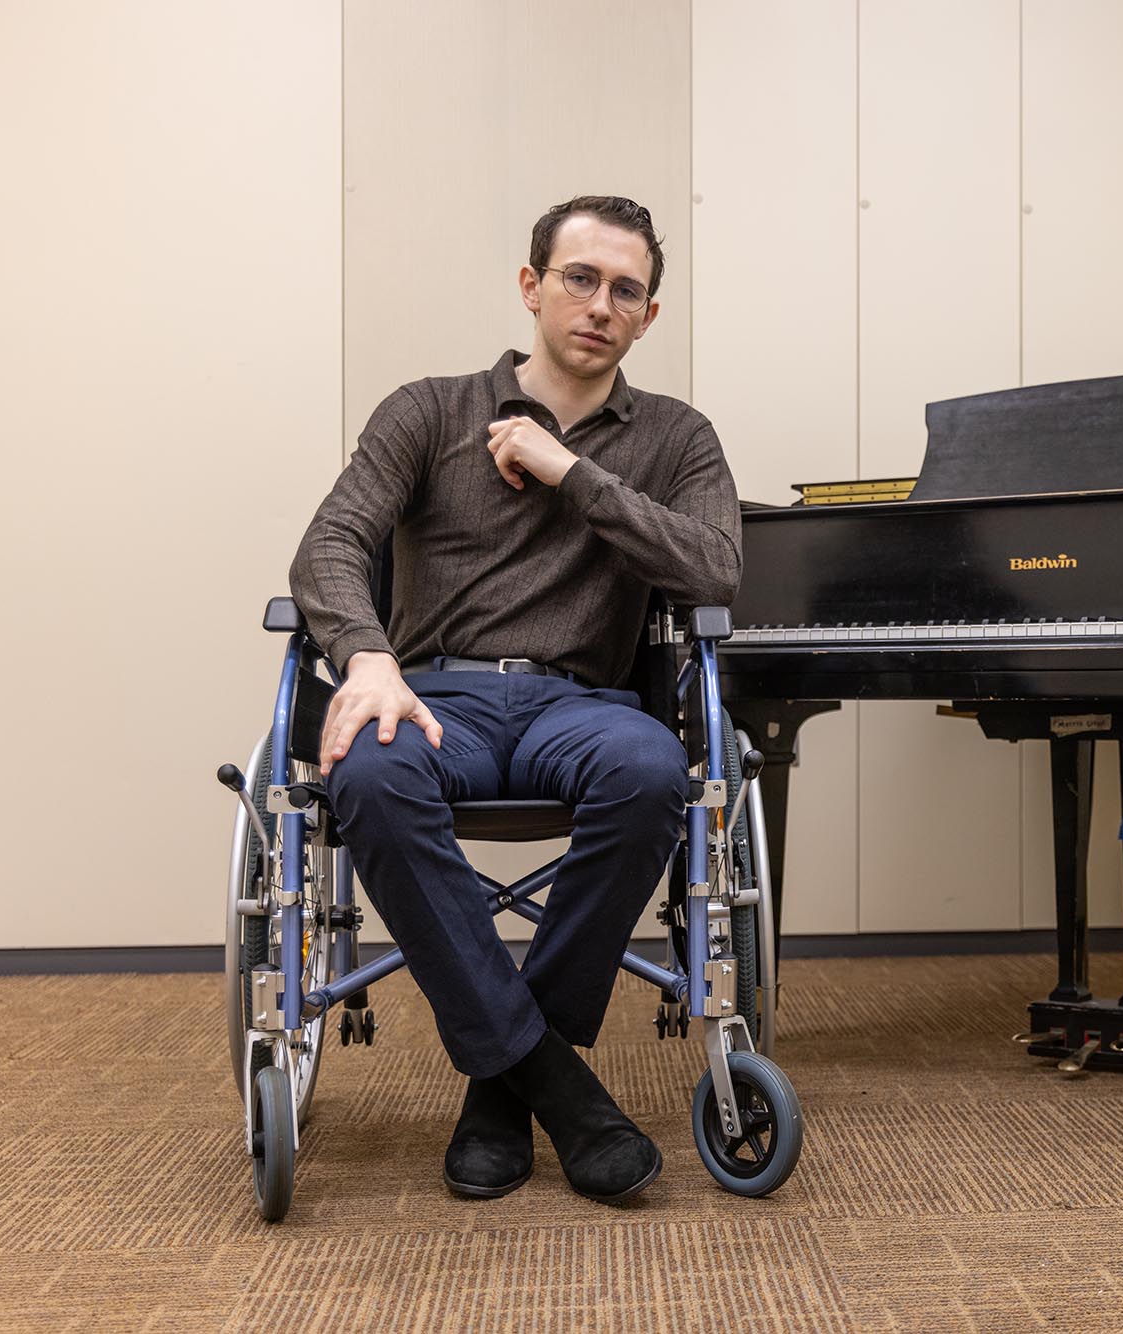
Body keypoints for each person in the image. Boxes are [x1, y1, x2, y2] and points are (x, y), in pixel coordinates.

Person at [288, 195, 740, 1204]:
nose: (599, 304)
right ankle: (549, 1079)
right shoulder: (430, 410)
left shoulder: (675, 437)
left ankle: (500, 1084)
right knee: (364, 768)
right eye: (579, 278)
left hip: (583, 701)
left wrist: (571, 470)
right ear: (532, 286)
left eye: (626, 290)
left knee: (649, 771)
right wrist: (366, 657)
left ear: (647, 316)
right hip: (434, 690)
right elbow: (327, 544)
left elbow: (714, 571)